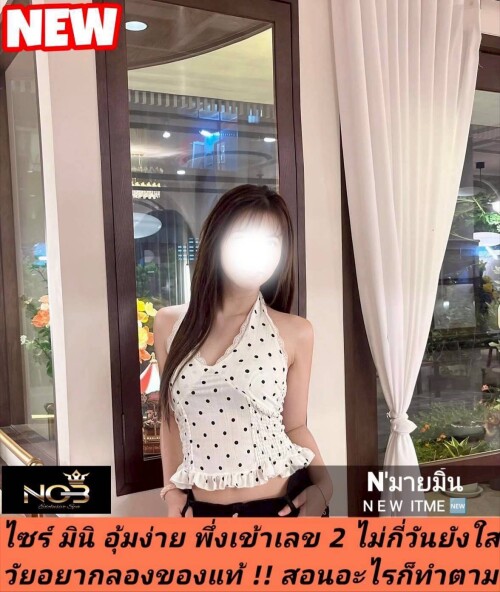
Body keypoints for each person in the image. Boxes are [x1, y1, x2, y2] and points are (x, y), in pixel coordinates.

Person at [154, 184, 333, 517]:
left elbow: (295, 426)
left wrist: (325, 484)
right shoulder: (168, 325)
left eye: (271, 243)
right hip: (202, 511)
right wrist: (172, 491)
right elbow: (170, 420)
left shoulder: (295, 331)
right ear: (217, 242)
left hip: (281, 508)